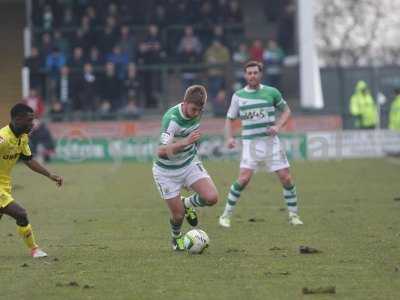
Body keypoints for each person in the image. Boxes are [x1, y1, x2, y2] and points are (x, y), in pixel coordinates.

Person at [218, 61, 303, 228]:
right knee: (243, 179)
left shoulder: (271, 92)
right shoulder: (239, 96)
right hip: (250, 144)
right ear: (245, 75)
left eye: (255, 73)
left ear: (260, 74)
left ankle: (294, 215)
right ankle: (225, 215)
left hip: (271, 143)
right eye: (249, 73)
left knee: (286, 178)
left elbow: (287, 111)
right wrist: (229, 138)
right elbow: (229, 119)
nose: (252, 76)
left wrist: (278, 126)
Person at [152, 85, 218, 251]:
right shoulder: (171, 119)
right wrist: (185, 142)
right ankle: (176, 239)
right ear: (184, 102)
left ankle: (187, 203)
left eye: (199, 110)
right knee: (178, 216)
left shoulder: (197, 112)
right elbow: (160, 151)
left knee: (212, 197)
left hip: (189, 164)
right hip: (166, 172)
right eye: (194, 109)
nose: (196, 114)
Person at [0, 103, 63, 258]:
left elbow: (29, 160)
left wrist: (50, 175)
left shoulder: (22, 138)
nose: (32, 124)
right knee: (21, 214)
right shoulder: (3, 138)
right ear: (17, 119)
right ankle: (34, 249)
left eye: (33, 120)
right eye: (29, 120)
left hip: (5, 185)